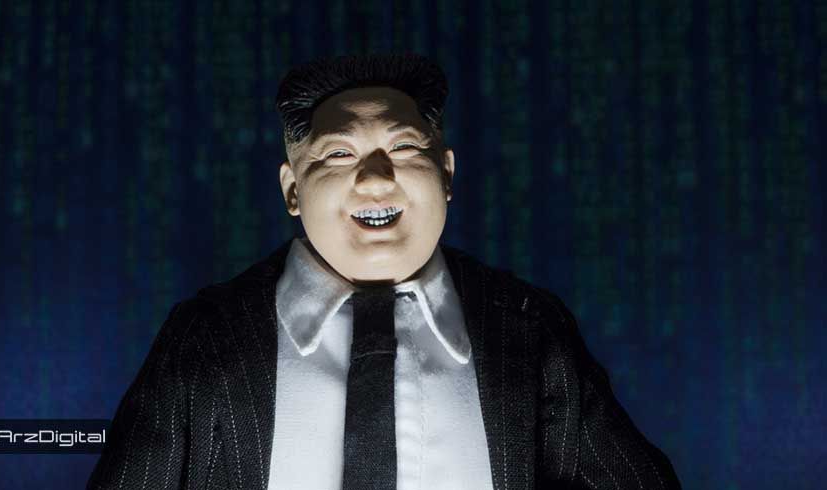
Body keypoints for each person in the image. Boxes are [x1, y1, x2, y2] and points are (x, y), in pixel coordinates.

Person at [87, 53, 681, 489]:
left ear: (446, 174)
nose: (375, 178)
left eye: (403, 148)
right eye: (339, 153)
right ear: (292, 189)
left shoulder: (528, 328)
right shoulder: (208, 334)